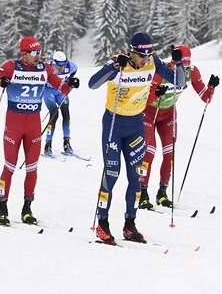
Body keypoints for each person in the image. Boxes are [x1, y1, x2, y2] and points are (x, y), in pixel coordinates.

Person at [88, 31, 185, 244]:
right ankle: (102, 223)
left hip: (136, 126)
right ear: (131, 53)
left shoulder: (153, 62)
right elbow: (92, 84)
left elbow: (180, 83)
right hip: (114, 125)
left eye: (149, 54)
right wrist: (112, 67)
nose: (145, 59)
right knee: (111, 175)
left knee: (136, 178)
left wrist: (177, 64)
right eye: (142, 55)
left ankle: (130, 224)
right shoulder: (118, 62)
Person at [0, 37, 79, 226]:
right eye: (34, 53)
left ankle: (27, 209)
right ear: (24, 54)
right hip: (14, 123)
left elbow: (61, 88)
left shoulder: (45, 68)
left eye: (40, 52)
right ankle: (2, 208)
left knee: (32, 168)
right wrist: (1, 80)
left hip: (33, 124)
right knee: (9, 167)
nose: (38, 56)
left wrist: (71, 84)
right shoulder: (12, 66)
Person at [139, 45, 218, 210]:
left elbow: (206, 98)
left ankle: (162, 192)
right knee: (150, 152)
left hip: (168, 114)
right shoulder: (162, 71)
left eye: (185, 66)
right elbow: (144, 101)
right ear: (173, 61)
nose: (181, 70)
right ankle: (142, 192)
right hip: (149, 113)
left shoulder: (192, 72)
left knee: (169, 153)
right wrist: (156, 94)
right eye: (178, 65)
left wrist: (211, 87)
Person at [43, 51, 78, 156]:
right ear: (54, 62)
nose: (62, 67)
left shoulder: (72, 67)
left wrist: (72, 83)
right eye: (59, 65)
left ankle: (67, 142)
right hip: (48, 91)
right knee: (54, 114)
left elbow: (70, 78)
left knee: (66, 113)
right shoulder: (46, 67)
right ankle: (48, 144)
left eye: (64, 64)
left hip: (61, 92)